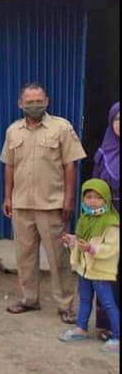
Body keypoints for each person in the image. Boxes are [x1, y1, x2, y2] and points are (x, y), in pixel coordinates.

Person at [2, 82, 86, 324]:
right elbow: (9, 166)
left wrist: (69, 199)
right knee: (24, 255)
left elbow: (70, 164)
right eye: (29, 102)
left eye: (39, 101)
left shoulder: (62, 128)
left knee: (58, 258)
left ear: (47, 101)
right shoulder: (13, 131)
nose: (34, 105)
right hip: (22, 204)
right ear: (20, 104)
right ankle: (29, 299)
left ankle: (65, 304)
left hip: (52, 204)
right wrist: (8, 196)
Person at [57, 179, 119, 354]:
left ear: (106, 199)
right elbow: (82, 242)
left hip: (100, 271)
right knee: (84, 300)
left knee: (108, 304)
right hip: (85, 269)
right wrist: (72, 240)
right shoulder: (85, 219)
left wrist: (91, 248)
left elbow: (112, 248)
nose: (92, 201)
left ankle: (118, 337)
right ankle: (81, 329)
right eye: (89, 197)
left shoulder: (111, 223)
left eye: (98, 198)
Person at [92, 101, 119, 341]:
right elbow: (95, 188)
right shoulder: (103, 153)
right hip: (107, 220)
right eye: (117, 119)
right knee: (108, 270)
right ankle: (108, 324)